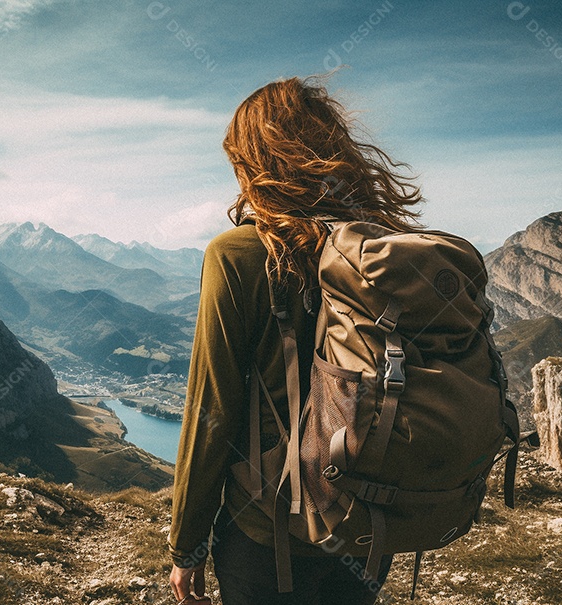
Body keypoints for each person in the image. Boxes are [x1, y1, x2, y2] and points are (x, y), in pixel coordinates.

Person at [167, 76, 424, 605]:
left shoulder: (238, 255)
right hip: (367, 526)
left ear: (255, 164)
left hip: (268, 536)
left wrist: (185, 546)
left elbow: (210, 412)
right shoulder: (387, 253)